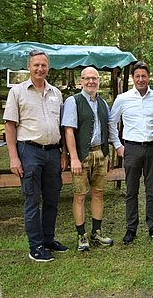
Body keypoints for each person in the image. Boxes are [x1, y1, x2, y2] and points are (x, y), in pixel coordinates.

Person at [3, 49, 68, 262]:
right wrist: (14, 157)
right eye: (36, 65)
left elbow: (61, 125)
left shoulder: (55, 93)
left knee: (52, 199)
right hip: (29, 151)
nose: (40, 69)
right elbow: (10, 126)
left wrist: (63, 153)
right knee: (33, 200)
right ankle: (36, 246)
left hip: (52, 152)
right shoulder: (18, 92)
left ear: (48, 67)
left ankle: (48, 239)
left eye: (43, 65)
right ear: (29, 67)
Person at [109, 61, 153, 244]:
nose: (141, 79)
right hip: (131, 148)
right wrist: (118, 145)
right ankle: (131, 229)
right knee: (131, 190)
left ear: (148, 77)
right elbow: (111, 123)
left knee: (152, 190)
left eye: (144, 76)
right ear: (133, 78)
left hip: (152, 148)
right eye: (137, 76)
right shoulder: (123, 98)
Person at [62, 67, 114, 252]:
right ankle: (81, 234)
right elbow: (69, 131)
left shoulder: (102, 103)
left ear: (99, 80)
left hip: (100, 153)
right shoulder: (73, 101)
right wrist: (73, 158)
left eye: (94, 78)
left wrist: (107, 154)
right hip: (82, 155)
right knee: (80, 195)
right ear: (81, 81)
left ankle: (96, 232)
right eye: (87, 78)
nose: (91, 81)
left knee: (98, 193)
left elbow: (108, 129)